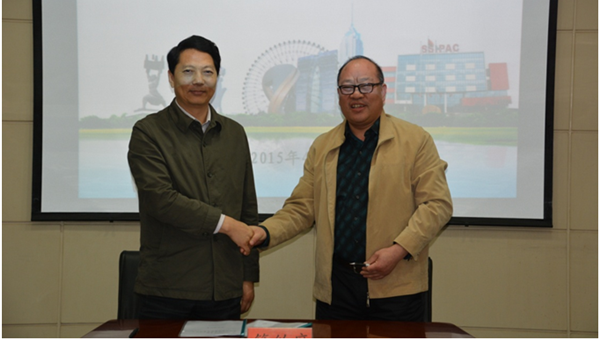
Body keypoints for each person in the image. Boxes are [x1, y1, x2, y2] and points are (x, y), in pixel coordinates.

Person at [250, 55, 452, 321]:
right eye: (347, 87)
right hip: (337, 288)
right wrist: (264, 232)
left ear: (383, 91)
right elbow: (302, 208)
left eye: (366, 85)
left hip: (397, 284)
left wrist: (398, 250)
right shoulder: (322, 146)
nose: (356, 94)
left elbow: (437, 205)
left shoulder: (416, 140)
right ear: (338, 95)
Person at [128, 35, 258, 320]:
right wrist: (225, 225)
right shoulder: (148, 132)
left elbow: (247, 208)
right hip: (167, 289)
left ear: (217, 78)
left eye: (207, 72)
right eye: (188, 71)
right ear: (171, 78)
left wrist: (247, 276)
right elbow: (160, 200)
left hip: (225, 288)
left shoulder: (235, 133)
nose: (199, 80)